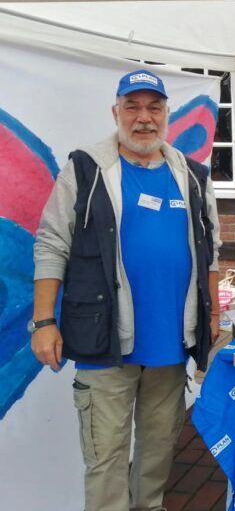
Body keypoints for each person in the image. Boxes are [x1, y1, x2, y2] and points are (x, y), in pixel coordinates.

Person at [30, 69, 221, 511]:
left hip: (171, 348)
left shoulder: (192, 175)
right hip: (105, 343)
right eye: (132, 107)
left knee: (156, 456)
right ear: (115, 112)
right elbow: (51, 243)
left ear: (167, 114)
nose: (143, 118)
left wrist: (209, 325)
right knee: (106, 459)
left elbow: (211, 249)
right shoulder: (85, 169)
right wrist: (43, 321)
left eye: (154, 107)